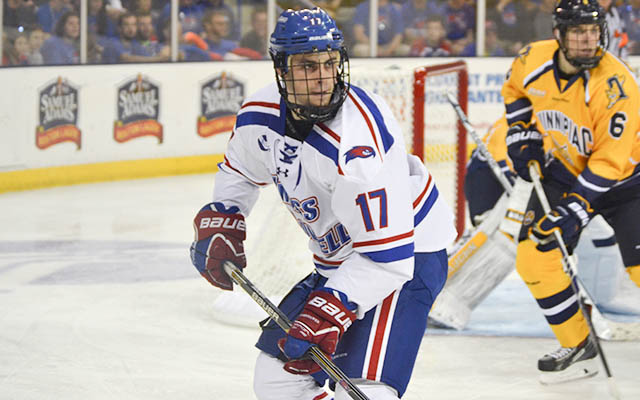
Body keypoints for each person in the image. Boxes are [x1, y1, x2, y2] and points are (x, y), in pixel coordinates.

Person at [189, 7, 456, 399]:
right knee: (277, 380)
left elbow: (389, 259)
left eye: (330, 64)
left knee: (367, 392)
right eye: (308, 66)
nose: (322, 79)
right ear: (282, 71)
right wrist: (226, 215)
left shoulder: (356, 150)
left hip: (406, 259)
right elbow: (240, 172)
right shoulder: (259, 116)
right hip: (341, 262)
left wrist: (331, 307)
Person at [502, 0, 640, 384]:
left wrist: (577, 209)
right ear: (558, 35)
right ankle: (579, 345)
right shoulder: (533, 59)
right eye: (578, 33)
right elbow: (514, 90)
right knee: (535, 257)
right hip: (563, 172)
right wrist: (522, 132)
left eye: (593, 33)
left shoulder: (616, 86)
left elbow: (610, 163)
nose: (587, 41)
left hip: (627, 182)